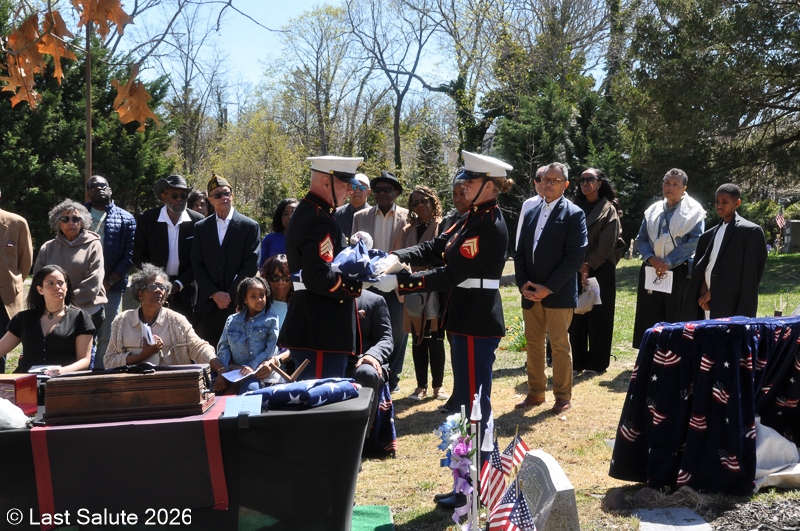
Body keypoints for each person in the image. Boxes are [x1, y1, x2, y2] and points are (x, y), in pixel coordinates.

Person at [375, 150, 513, 464]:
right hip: (463, 317)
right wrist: (398, 256)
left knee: (475, 401)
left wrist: (402, 282)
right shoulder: (471, 217)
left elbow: (451, 274)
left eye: (471, 182)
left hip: (477, 320)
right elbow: (437, 247)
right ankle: (466, 471)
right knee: (466, 400)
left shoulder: (488, 223)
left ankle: (480, 469)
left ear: (489, 186)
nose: (463, 186)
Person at [279, 156, 364, 379]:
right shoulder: (319, 218)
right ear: (326, 182)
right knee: (321, 397)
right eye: (345, 184)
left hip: (318, 327)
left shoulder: (314, 212)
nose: (351, 191)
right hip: (321, 330)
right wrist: (358, 285)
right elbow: (318, 276)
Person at [514, 162, 587, 413]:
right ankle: (535, 392)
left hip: (558, 292)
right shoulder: (531, 212)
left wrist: (548, 288)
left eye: (554, 180)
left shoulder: (574, 214)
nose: (548, 184)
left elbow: (574, 258)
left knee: (559, 345)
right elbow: (520, 253)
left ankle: (562, 396)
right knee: (533, 344)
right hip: (530, 292)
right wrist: (523, 284)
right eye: (545, 179)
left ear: (565, 185)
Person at [103, 264, 227, 392]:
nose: (158, 290)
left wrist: (221, 370)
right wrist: (142, 355)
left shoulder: (176, 320)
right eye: (152, 286)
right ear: (140, 294)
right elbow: (109, 360)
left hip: (171, 387)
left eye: (162, 287)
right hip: (132, 388)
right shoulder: (122, 321)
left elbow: (199, 347)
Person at [632, 168, 705, 348]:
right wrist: (652, 259)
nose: (670, 187)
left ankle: (674, 354)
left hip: (679, 271)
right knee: (650, 315)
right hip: (652, 268)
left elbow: (695, 241)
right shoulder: (653, 210)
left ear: (684, 188)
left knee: (675, 316)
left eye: (675, 184)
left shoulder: (694, 211)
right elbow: (641, 238)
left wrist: (669, 261)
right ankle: (651, 353)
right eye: (667, 183)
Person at [352, 170, 409, 392]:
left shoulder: (408, 216)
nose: (382, 193)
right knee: (371, 330)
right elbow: (354, 251)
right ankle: (374, 371)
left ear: (396, 193)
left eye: (387, 190)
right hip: (369, 285)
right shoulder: (360, 217)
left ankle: (393, 378)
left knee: (398, 332)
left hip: (395, 283)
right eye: (378, 190)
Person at [191, 174, 261, 350]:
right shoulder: (201, 228)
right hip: (209, 305)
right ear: (210, 200)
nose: (223, 198)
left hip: (237, 304)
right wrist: (214, 293)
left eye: (226, 193)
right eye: (217, 195)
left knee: (238, 352)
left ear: (232, 195)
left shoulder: (249, 226)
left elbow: (251, 264)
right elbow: (197, 264)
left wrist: (230, 295)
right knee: (211, 353)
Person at [683, 183, 767, 320]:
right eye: (717, 202)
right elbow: (702, 267)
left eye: (724, 202)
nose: (719, 206)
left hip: (731, 302)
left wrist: (714, 292)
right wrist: (703, 293)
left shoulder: (750, 232)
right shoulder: (707, 236)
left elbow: (749, 275)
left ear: (737, 203)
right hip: (705, 302)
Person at [568, 168, 622, 376]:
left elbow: (608, 242)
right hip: (574, 268)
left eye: (590, 179)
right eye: (581, 180)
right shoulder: (573, 207)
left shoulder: (609, 209)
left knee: (600, 316)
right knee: (576, 316)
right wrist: (578, 263)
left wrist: (588, 263)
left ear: (599, 183)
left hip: (601, 269)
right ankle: (577, 361)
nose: (585, 183)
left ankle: (597, 363)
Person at [396, 186, 448, 401]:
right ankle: (420, 386)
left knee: (435, 338)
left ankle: (438, 386)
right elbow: (400, 258)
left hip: (434, 287)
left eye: (424, 200)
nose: (420, 205)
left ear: (433, 201)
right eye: (415, 203)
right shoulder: (407, 230)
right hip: (413, 289)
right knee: (417, 338)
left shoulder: (443, 225)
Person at [0, 265, 94, 375]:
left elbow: (84, 360)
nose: (57, 287)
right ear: (40, 290)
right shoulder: (23, 319)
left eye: (60, 283)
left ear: (67, 287)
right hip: (26, 380)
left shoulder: (80, 318)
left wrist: (62, 371)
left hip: (61, 380)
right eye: (50, 284)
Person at [133, 174, 203, 321]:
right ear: (163, 197)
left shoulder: (198, 222)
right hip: (154, 289)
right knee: (153, 330)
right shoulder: (148, 219)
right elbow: (139, 256)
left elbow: (200, 259)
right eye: (174, 195)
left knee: (183, 332)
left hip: (186, 289)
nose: (179, 199)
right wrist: (158, 281)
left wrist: (178, 284)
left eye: (183, 195)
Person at [33, 200, 106, 337]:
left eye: (76, 219)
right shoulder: (47, 247)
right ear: (57, 223)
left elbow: (94, 281)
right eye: (65, 219)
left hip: (88, 310)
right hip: (54, 310)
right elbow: (38, 280)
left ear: (82, 222)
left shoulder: (94, 245)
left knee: (85, 348)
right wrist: (56, 304)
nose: (71, 222)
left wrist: (65, 301)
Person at [84, 175, 136, 368]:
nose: (98, 189)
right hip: (82, 286)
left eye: (102, 186)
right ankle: (81, 371)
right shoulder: (79, 215)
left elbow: (130, 255)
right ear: (88, 193)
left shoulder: (126, 218)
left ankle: (101, 371)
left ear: (110, 190)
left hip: (111, 288)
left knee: (107, 333)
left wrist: (108, 282)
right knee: (82, 331)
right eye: (93, 187)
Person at [217, 277, 281, 394]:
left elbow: (271, 349)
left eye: (262, 295)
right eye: (253, 296)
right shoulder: (231, 321)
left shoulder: (272, 319)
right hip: (235, 374)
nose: (259, 299)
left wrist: (252, 366)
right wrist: (230, 367)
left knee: (249, 391)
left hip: (260, 374)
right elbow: (223, 348)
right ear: (244, 299)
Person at [351, 289, 394, 452]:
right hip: (335, 359)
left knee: (367, 373)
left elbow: (386, 338)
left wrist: (372, 355)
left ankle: (363, 439)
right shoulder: (326, 299)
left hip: (365, 359)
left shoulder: (374, 300)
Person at [0, 187, 33, 374]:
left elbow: (25, 262)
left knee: (1, 346)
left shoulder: (17, 223)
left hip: (4, 298)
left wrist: (11, 284)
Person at [259, 198, 299, 267]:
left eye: (294, 213)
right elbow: (262, 267)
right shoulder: (269, 239)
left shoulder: (308, 240)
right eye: (286, 214)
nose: (290, 217)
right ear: (280, 217)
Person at [515, 165, 547, 248]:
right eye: (538, 179)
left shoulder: (565, 206)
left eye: (544, 179)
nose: (540, 183)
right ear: (534, 181)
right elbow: (520, 233)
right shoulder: (528, 204)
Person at [334, 173, 371, 237]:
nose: (357, 191)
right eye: (354, 187)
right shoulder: (336, 214)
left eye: (362, 188)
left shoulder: (374, 215)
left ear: (368, 192)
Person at [260, 254, 292, 327]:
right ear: (266, 279)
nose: (281, 282)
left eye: (286, 277)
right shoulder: (258, 306)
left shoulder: (299, 307)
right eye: (275, 277)